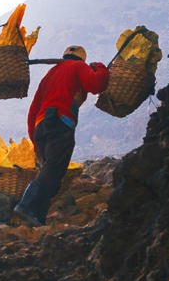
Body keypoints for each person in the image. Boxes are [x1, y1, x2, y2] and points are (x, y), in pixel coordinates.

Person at [12, 45, 108, 227]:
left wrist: (35, 139)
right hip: (60, 122)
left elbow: (33, 109)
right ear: (82, 59)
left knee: (49, 171)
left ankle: (37, 217)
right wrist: (100, 67)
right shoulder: (79, 67)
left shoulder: (50, 74)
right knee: (54, 169)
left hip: (41, 126)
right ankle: (26, 205)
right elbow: (96, 85)